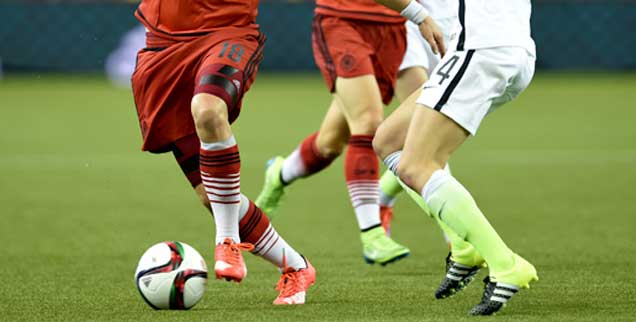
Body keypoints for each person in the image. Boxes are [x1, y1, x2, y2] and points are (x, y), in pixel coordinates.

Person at [130, 0, 315, 305]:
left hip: (225, 32)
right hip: (163, 47)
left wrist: (412, 11)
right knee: (211, 196)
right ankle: (297, 267)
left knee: (208, 110)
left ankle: (226, 240)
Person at [373, 0, 539, 315]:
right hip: (513, 47)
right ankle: (463, 248)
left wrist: (417, 14)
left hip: (481, 49)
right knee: (389, 141)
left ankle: (505, 264)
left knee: (416, 165)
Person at [255, 0, 410, 265]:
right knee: (368, 121)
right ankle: (372, 235)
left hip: (394, 25)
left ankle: (280, 173)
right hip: (343, 18)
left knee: (330, 143)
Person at [376, 0, 457, 236]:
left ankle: (380, 194)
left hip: (455, 22)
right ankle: (457, 239)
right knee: (426, 128)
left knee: (439, 132)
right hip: (402, 21)